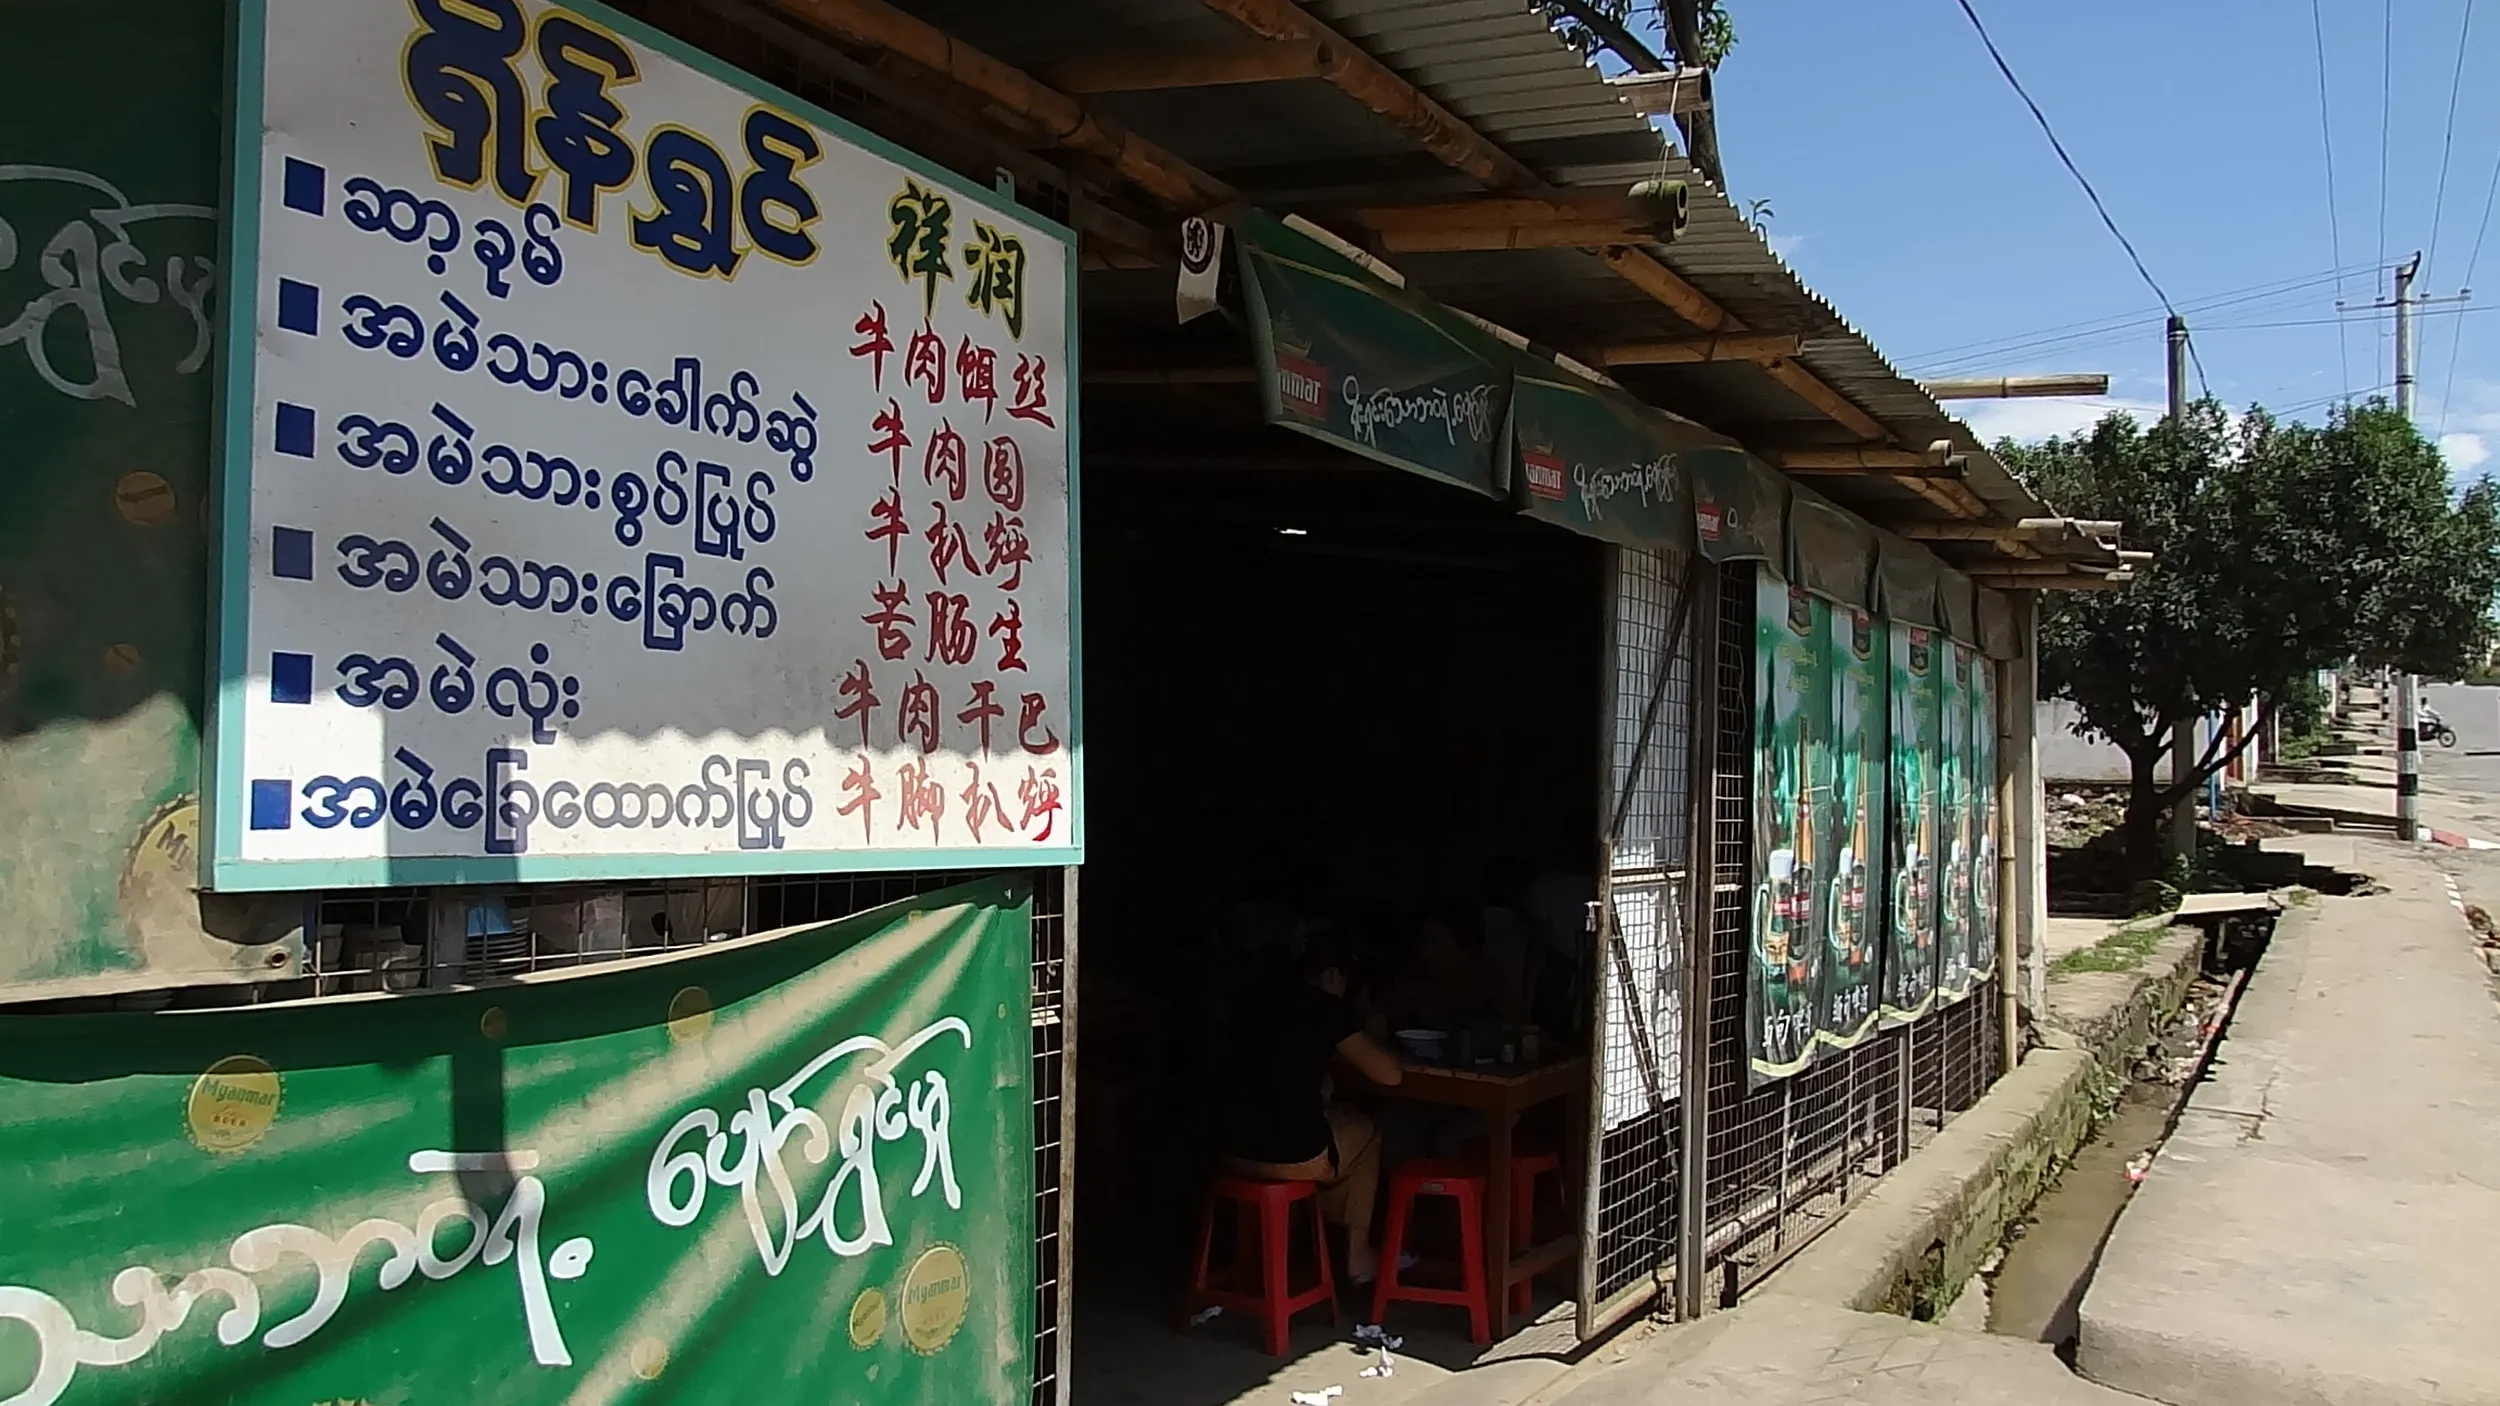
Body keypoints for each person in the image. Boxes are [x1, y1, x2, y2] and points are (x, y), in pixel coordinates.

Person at [1216, 935, 1405, 1282]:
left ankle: (1310, 1247)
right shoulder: (1325, 1007)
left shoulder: (1249, 1002)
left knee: (1337, 1121)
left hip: (1231, 1149)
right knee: (1367, 1132)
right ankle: (1356, 1257)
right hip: (1292, 1154)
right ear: (1333, 975)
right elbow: (1389, 1075)